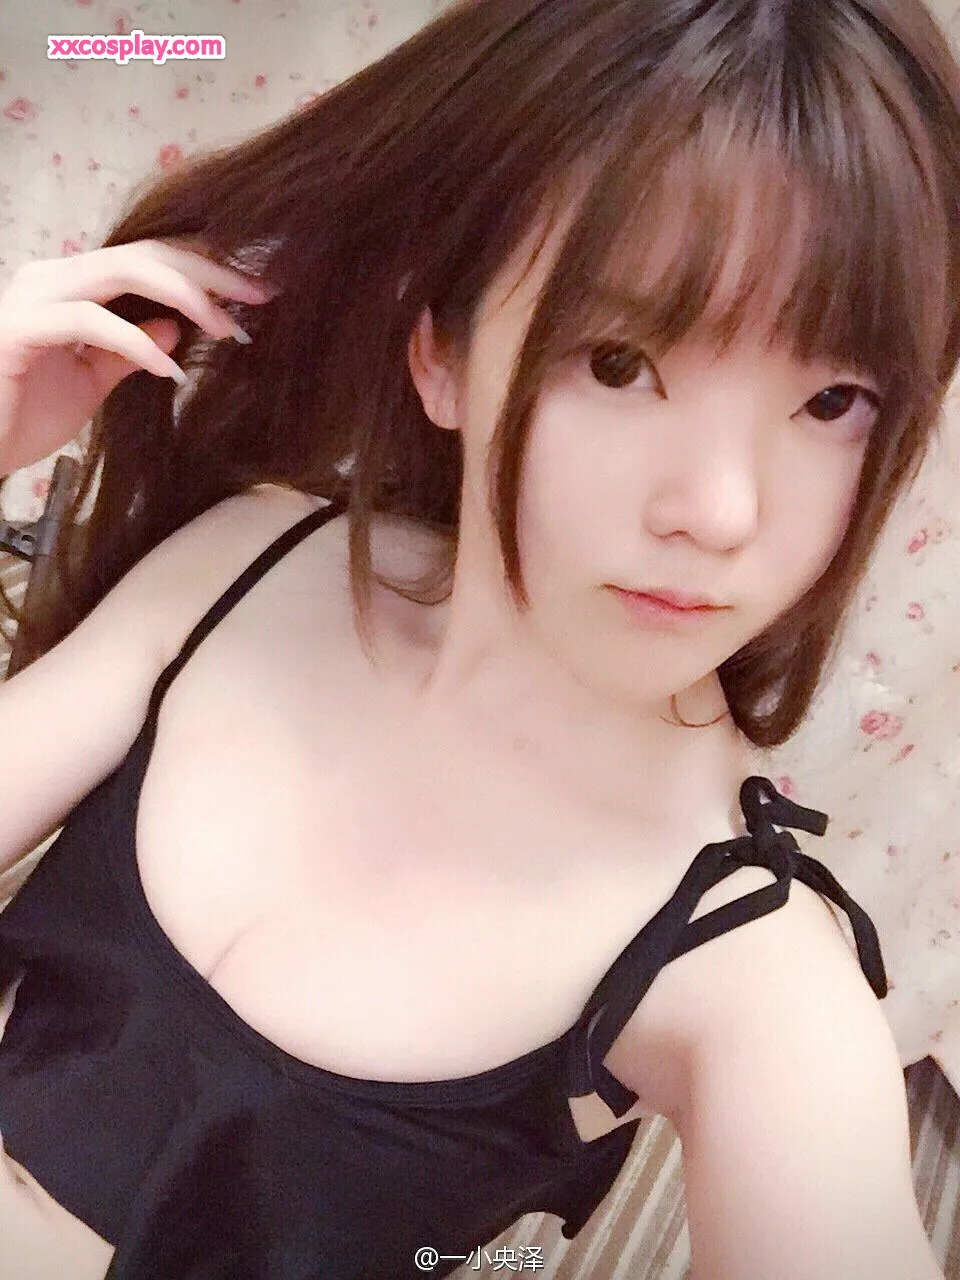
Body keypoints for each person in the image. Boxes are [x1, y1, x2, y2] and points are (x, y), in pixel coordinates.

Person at [0, 0, 957, 1276]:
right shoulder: (253, 563)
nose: (720, 511)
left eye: (832, 398)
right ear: (442, 350)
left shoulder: (751, 978)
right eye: (618, 361)